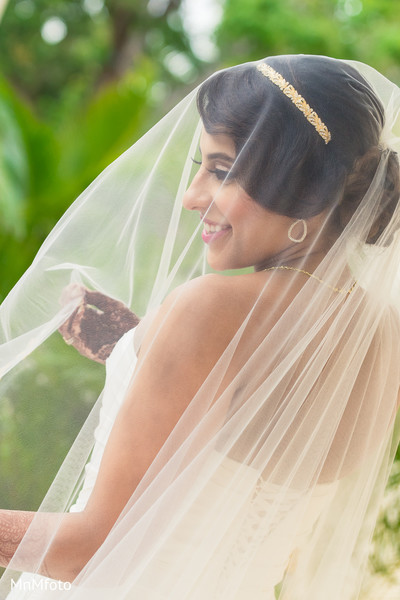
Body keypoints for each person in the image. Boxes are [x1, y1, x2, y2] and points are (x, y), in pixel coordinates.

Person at [0, 54, 400, 600]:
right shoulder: (378, 332)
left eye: (221, 169)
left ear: (302, 187)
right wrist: (139, 345)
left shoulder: (209, 309)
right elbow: (254, 424)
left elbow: (92, 551)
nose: (191, 197)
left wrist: (169, 340)